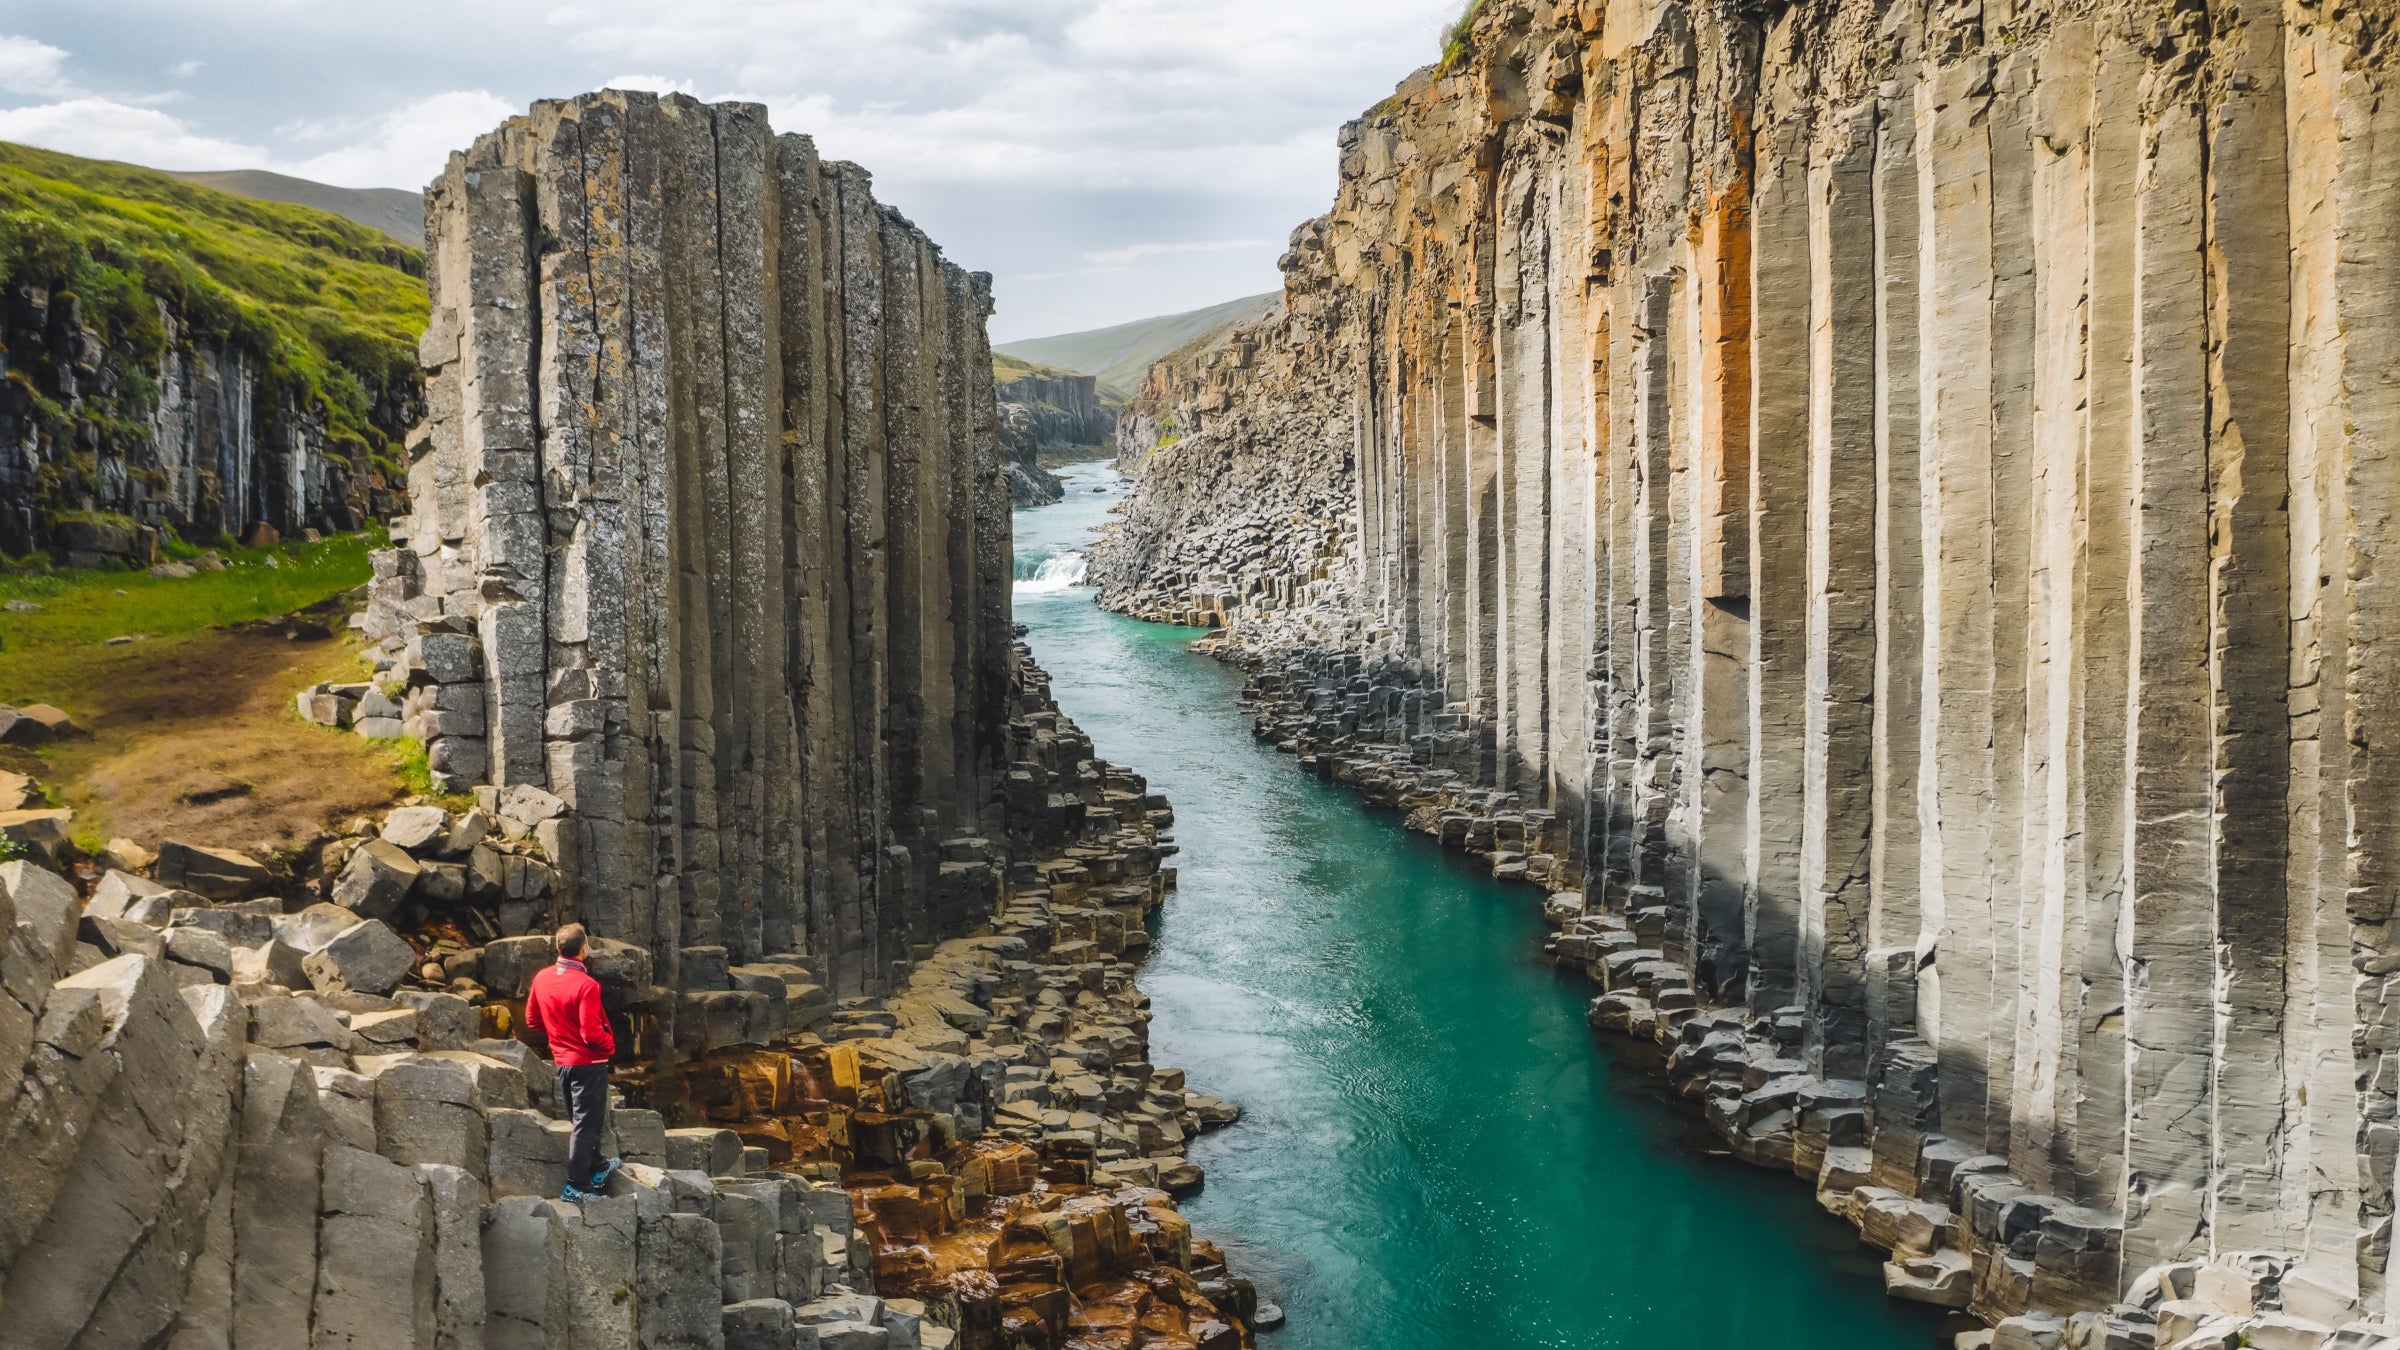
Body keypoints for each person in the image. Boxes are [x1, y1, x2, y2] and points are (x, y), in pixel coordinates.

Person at [523, 923, 621, 1200]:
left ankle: (598, 1165)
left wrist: (558, 1035)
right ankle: (577, 1185)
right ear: (584, 949)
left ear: (557, 948)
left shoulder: (542, 978)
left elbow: (531, 1020)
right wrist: (610, 1044)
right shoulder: (586, 985)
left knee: (581, 1121)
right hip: (588, 1064)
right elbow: (590, 1032)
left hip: (563, 1062)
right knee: (586, 1125)